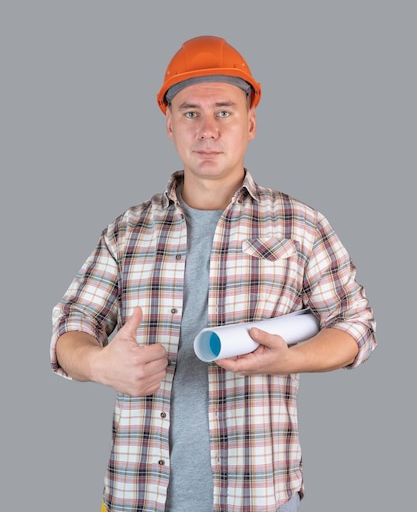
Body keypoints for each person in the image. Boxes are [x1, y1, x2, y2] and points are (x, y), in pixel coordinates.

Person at [50, 35, 376, 512]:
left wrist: (289, 360)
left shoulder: (300, 225)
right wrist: (99, 364)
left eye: (224, 111)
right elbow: (70, 325)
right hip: (137, 494)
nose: (207, 130)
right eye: (190, 113)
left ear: (251, 123)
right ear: (169, 125)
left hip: (260, 496)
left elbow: (358, 325)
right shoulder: (127, 230)